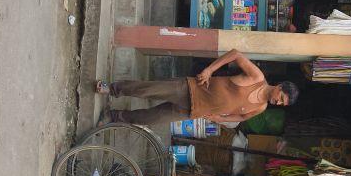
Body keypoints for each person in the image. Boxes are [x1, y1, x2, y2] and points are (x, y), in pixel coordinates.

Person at [95, 49, 299, 127]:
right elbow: (236, 54)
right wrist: (209, 70)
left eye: (281, 104)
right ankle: (112, 88)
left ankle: (114, 116)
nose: (277, 102)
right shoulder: (257, 77)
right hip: (192, 89)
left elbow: (242, 117)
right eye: (281, 97)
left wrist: (221, 119)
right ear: (280, 86)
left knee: (150, 119)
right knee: (148, 90)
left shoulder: (261, 107)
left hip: (193, 111)